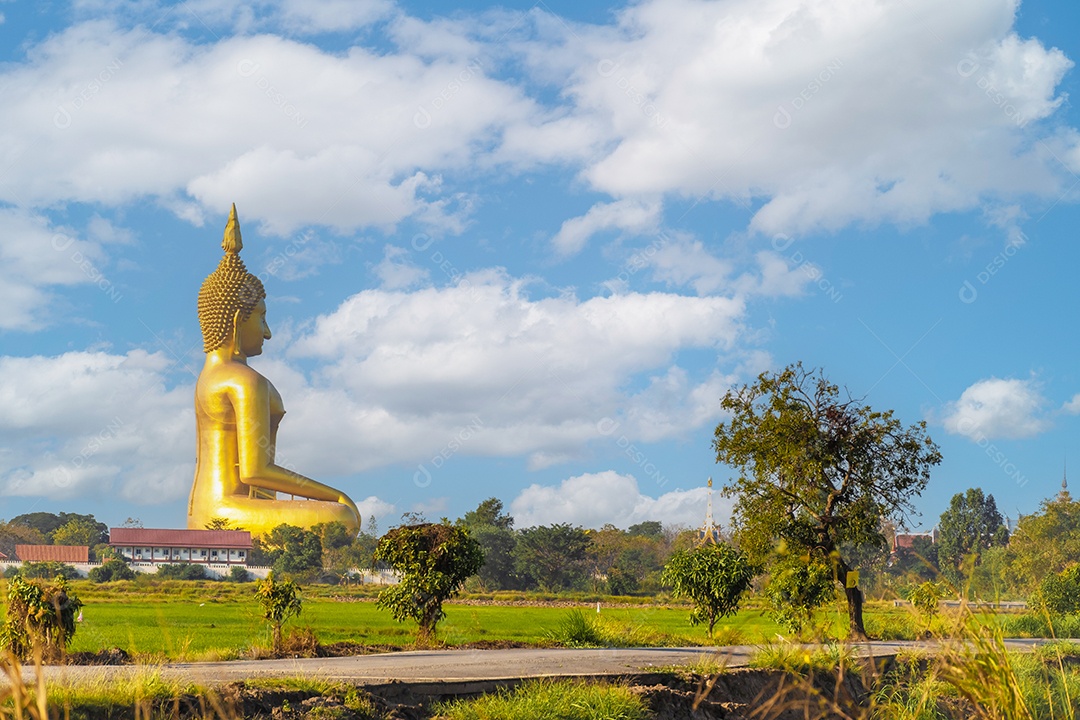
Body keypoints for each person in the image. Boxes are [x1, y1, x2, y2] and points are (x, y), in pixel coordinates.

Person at [187, 204, 361, 537]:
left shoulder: (210, 377)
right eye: (262, 318)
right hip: (228, 511)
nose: (267, 332)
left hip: (208, 510)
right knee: (343, 516)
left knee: (336, 514)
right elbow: (254, 471)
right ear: (238, 320)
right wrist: (336, 495)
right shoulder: (242, 380)